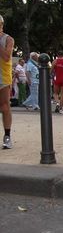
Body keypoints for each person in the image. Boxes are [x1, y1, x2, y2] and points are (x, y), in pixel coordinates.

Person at [0, 14, 14, 149]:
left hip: (2, 76)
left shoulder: (8, 39)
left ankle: (7, 136)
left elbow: (6, 57)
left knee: (4, 107)